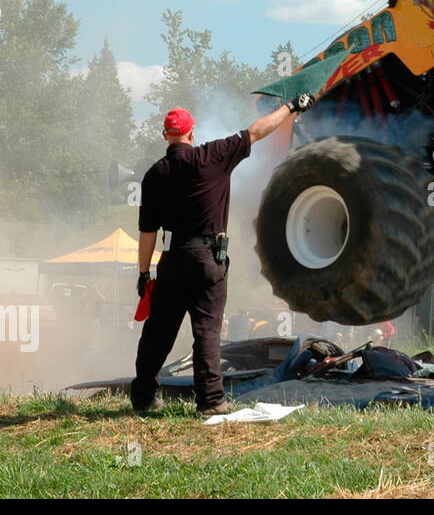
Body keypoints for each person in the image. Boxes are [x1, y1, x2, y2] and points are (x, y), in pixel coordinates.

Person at [130, 94, 313, 416]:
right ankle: (211, 401)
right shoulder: (213, 155)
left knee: (158, 332)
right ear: (192, 133)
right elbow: (256, 132)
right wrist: (292, 107)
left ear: (165, 136)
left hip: (170, 260)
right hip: (207, 259)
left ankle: (144, 397)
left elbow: (147, 232)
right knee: (207, 331)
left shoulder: (154, 174)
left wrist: (144, 274)